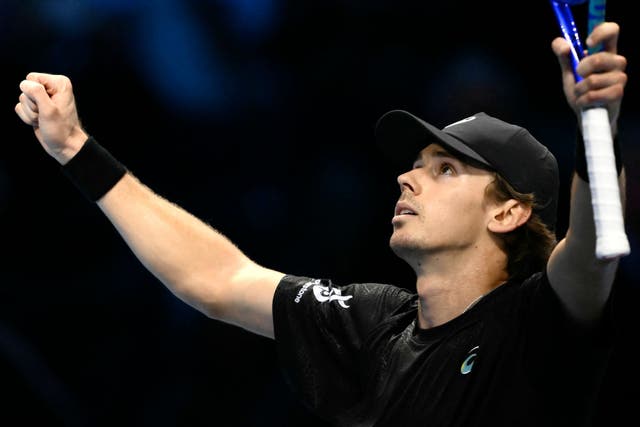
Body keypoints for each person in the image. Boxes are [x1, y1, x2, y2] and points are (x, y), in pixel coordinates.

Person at [14, 20, 628, 427]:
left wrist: (596, 126)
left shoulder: (533, 323)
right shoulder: (373, 322)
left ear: (508, 211)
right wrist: (75, 149)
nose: (406, 178)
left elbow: (596, 247)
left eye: (444, 170)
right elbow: (218, 279)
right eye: (414, 165)